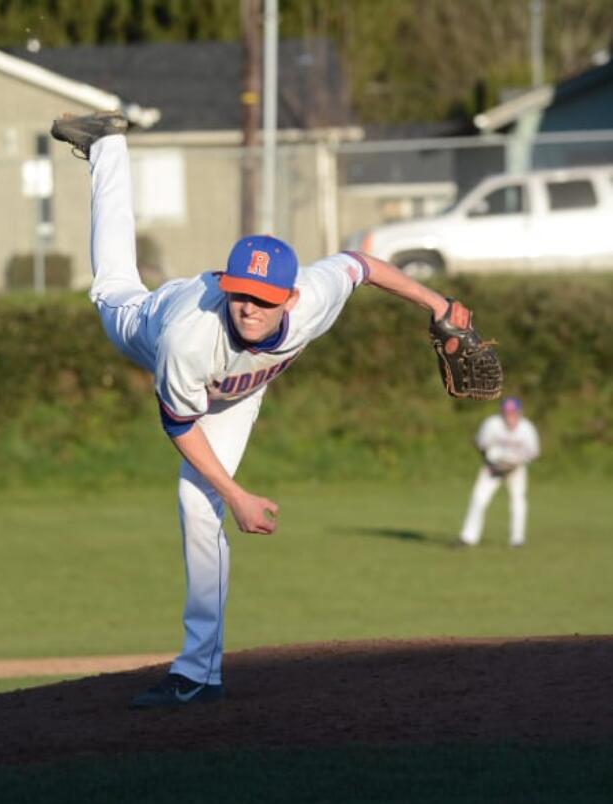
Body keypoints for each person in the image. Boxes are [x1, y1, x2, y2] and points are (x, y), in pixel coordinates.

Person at [49, 111, 491, 709]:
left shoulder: (313, 297)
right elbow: (179, 425)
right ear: (227, 286)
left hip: (238, 388)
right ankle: (107, 145)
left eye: (262, 299)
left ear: (288, 297)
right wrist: (237, 495)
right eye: (240, 294)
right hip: (152, 326)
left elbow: (360, 267)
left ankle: (197, 674)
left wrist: (438, 302)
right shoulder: (187, 339)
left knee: (193, 504)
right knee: (111, 288)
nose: (249, 307)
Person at [457, 397, 540, 548]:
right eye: (506, 413)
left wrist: (513, 463)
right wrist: (490, 461)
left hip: (516, 469)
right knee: (478, 499)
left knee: (518, 501)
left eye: (513, 413)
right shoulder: (492, 424)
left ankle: (517, 540)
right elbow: (480, 444)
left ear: (519, 413)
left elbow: (533, 452)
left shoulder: (527, 428)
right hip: (492, 467)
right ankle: (468, 537)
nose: (510, 416)